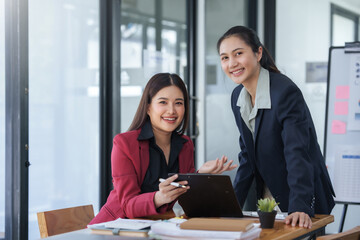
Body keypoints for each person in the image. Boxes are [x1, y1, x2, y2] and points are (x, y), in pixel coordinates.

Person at [217, 26, 335, 229]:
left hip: (300, 192)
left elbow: (297, 152)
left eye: (238, 54)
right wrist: (232, 205)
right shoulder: (238, 96)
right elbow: (248, 155)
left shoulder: (284, 92)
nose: (232, 63)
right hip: (269, 196)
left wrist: (300, 206)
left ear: (258, 52)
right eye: (225, 57)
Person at [90, 73, 237, 224]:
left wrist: (200, 175)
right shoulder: (124, 143)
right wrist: (158, 198)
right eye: (163, 102)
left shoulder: (185, 144)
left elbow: (184, 193)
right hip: (113, 228)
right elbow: (128, 205)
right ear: (148, 107)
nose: (171, 110)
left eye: (178, 103)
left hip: (156, 227)